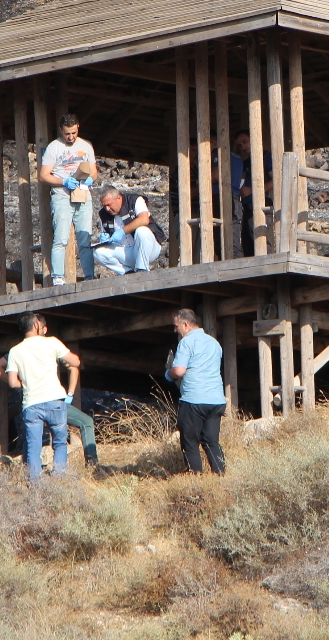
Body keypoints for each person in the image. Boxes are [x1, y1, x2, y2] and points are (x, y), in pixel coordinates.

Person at [0, 313, 81, 480]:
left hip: (31, 403)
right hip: (54, 400)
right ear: (37, 325)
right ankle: (59, 480)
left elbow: (13, 382)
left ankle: (36, 486)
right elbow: (75, 362)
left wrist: (27, 383)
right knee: (59, 443)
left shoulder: (14, 351)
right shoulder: (52, 342)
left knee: (33, 447)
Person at [0, 355, 99, 467]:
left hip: (31, 402)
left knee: (31, 439)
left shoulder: (18, 350)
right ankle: (91, 465)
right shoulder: (50, 347)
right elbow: (73, 366)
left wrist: (20, 385)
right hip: (53, 401)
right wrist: (70, 394)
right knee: (84, 424)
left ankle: (28, 471)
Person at [39, 113, 99, 287]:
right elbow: (43, 176)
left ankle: (89, 276)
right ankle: (58, 277)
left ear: (78, 127)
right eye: (67, 133)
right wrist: (63, 181)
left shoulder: (86, 146)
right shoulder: (54, 148)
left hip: (83, 195)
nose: (71, 137)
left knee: (85, 239)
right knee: (61, 239)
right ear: (61, 130)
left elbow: (94, 171)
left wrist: (91, 179)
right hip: (62, 197)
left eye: (73, 133)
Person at [165, 308, 226, 475]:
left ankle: (196, 477)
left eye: (176, 326)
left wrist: (168, 373)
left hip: (194, 399)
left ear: (185, 324)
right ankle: (220, 476)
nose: (175, 330)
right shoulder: (214, 343)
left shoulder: (187, 342)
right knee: (211, 441)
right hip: (216, 400)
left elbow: (178, 371)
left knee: (189, 441)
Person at [95, 186, 164, 275]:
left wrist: (122, 231)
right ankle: (127, 273)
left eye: (109, 205)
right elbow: (107, 236)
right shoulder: (103, 214)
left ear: (118, 198)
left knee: (142, 231)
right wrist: (105, 240)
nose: (107, 209)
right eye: (104, 206)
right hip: (127, 252)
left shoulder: (135, 200)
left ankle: (142, 270)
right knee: (98, 252)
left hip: (149, 249)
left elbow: (144, 219)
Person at [232, 132, 272, 257]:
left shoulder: (265, 156)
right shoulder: (245, 162)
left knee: (261, 242)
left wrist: (253, 190)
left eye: (245, 142)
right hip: (246, 209)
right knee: (247, 247)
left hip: (261, 205)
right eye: (240, 144)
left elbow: (276, 180)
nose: (243, 146)